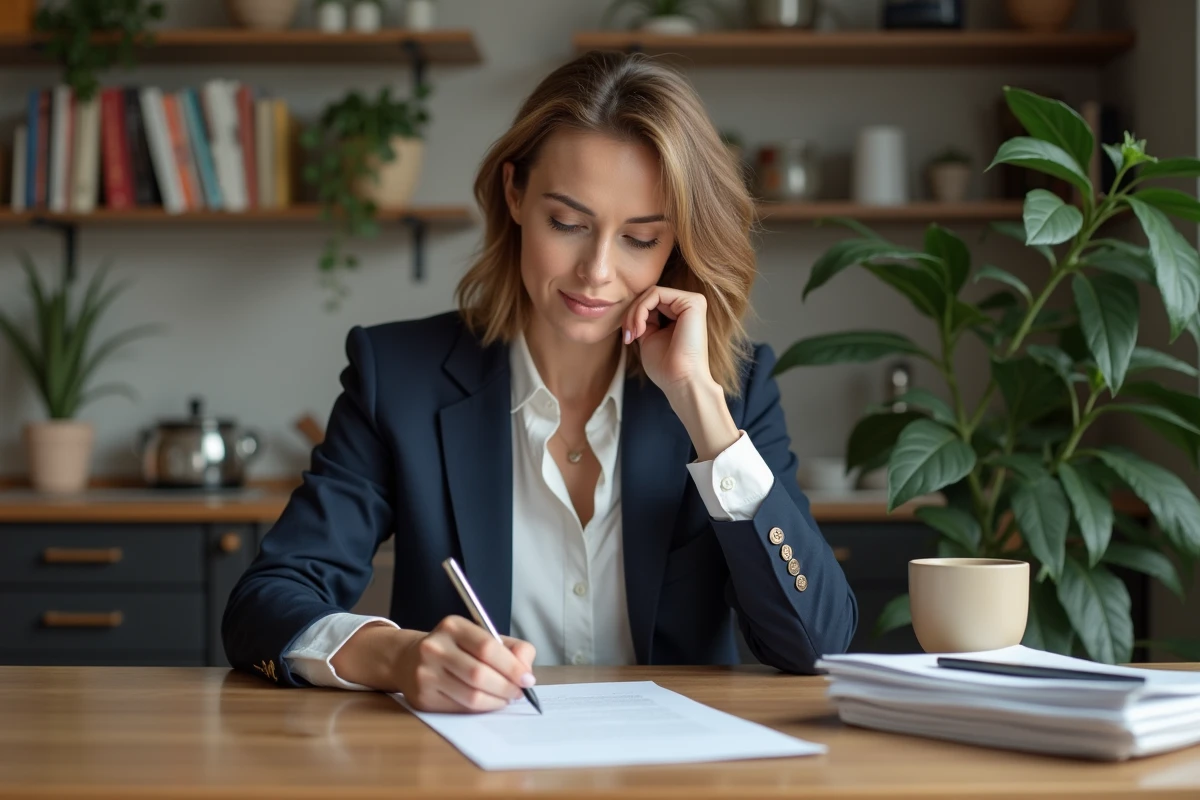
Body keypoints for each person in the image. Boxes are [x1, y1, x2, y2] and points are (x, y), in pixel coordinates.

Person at [222, 50, 857, 711]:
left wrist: (701, 407)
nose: (597, 272)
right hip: (465, 768)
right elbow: (264, 606)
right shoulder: (399, 377)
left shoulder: (733, 390)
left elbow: (815, 644)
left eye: (640, 238)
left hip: (671, 774)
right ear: (515, 193)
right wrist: (400, 656)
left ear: (677, 244)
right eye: (568, 223)